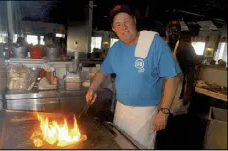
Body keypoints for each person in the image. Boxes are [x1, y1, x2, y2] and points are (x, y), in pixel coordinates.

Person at [85, 5, 181, 149]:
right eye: (118, 24)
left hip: (145, 113)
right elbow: (102, 72)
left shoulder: (154, 43)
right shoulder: (116, 48)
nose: (123, 27)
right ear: (113, 29)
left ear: (134, 21)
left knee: (139, 147)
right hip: (121, 110)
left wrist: (164, 112)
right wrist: (91, 89)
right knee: (120, 145)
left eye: (127, 22)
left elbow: (172, 77)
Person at [165, 21, 198, 115]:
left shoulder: (186, 48)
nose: (174, 32)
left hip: (178, 88)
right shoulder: (161, 46)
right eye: (171, 30)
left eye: (176, 30)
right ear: (166, 31)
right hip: (161, 87)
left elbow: (191, 72)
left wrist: (188, 92)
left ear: (179, 33)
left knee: (173, 113)